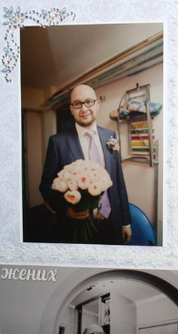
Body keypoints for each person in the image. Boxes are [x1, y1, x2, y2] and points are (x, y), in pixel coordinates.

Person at [39, 84, 132, 245]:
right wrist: (66, 209)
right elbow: (45, 186)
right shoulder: (58, 142)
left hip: (112, 222)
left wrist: (126, 222)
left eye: (89, 102)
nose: (84, 109)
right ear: (71, 109)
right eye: (77, 103)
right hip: (77, 228)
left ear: (97, 104)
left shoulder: (110, 136)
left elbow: (119, 182)